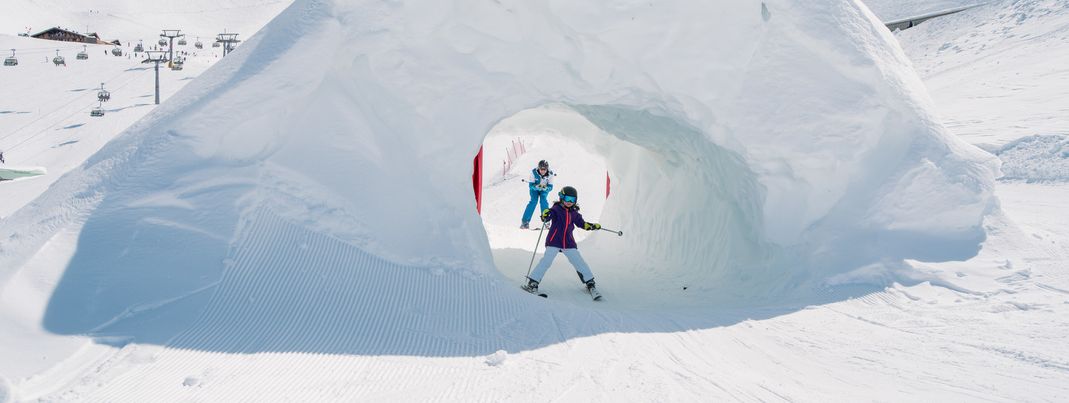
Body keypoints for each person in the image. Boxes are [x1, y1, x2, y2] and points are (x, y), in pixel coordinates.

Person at [522, 186, 603, 298]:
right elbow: (549, 215)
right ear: (561, 197)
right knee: (546, 261)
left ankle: (590, 283)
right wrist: (545, 214)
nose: (570, 202)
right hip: (554, 241)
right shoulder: (556, 209)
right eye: (567, 199)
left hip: (568, 243)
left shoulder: (574, 213)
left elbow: (582, 223)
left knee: (579, 262)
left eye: (573, 200)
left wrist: (591, 226)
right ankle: (533, 283)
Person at [520, 160, 554, 229]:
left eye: (544, 169)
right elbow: (530, 185)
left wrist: (546, 188)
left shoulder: (550, 174)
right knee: (533, 201)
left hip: (543, 190)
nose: (542, 171)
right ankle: (525, 222)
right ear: (538, 168)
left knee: (543, 200)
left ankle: (546, 220)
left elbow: (550, 187)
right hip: (534, 190)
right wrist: (536, 187)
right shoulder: (534, 172)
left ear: (547, 169)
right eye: (541, 169)